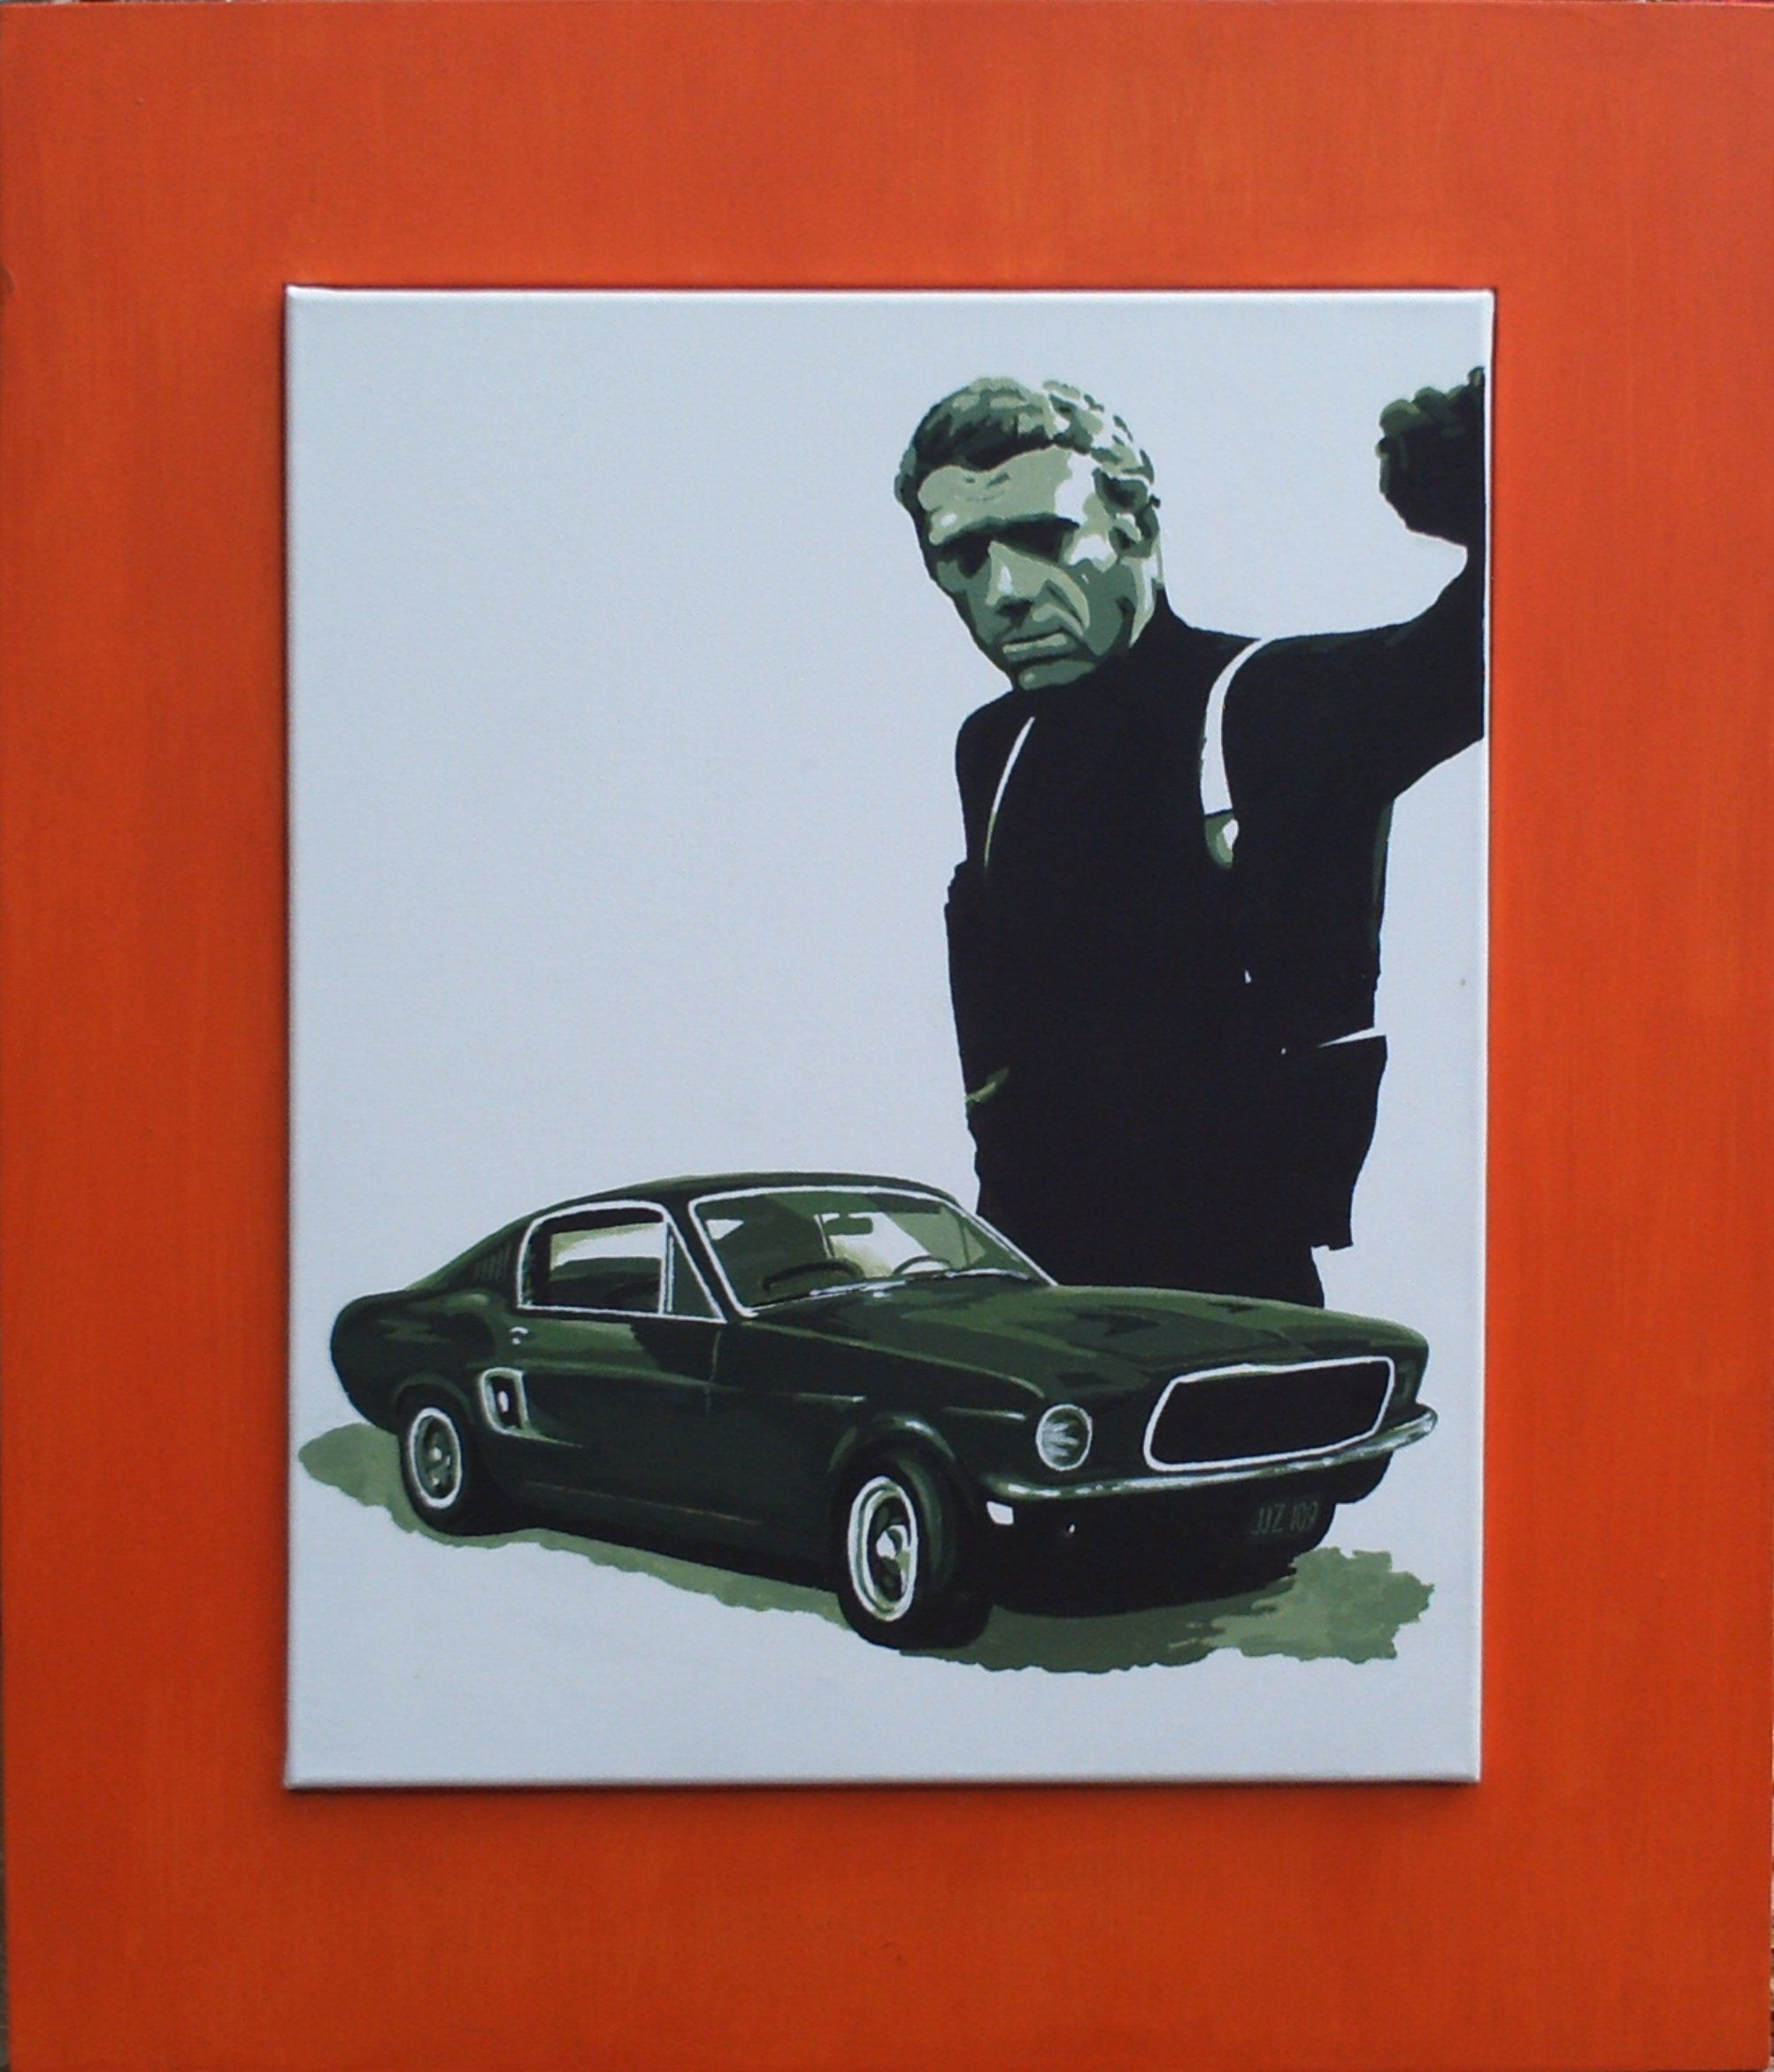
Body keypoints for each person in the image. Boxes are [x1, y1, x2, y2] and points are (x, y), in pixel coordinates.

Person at [895, 372, 1485, 1306]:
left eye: (1045, 538)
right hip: (1034, 1294)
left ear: (1136, 526)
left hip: (1226, 1306)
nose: (1003, 593)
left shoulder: (1269, 709)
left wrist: (1486, 482)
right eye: (963, 555)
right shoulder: (995, 749)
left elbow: (1493, 646)